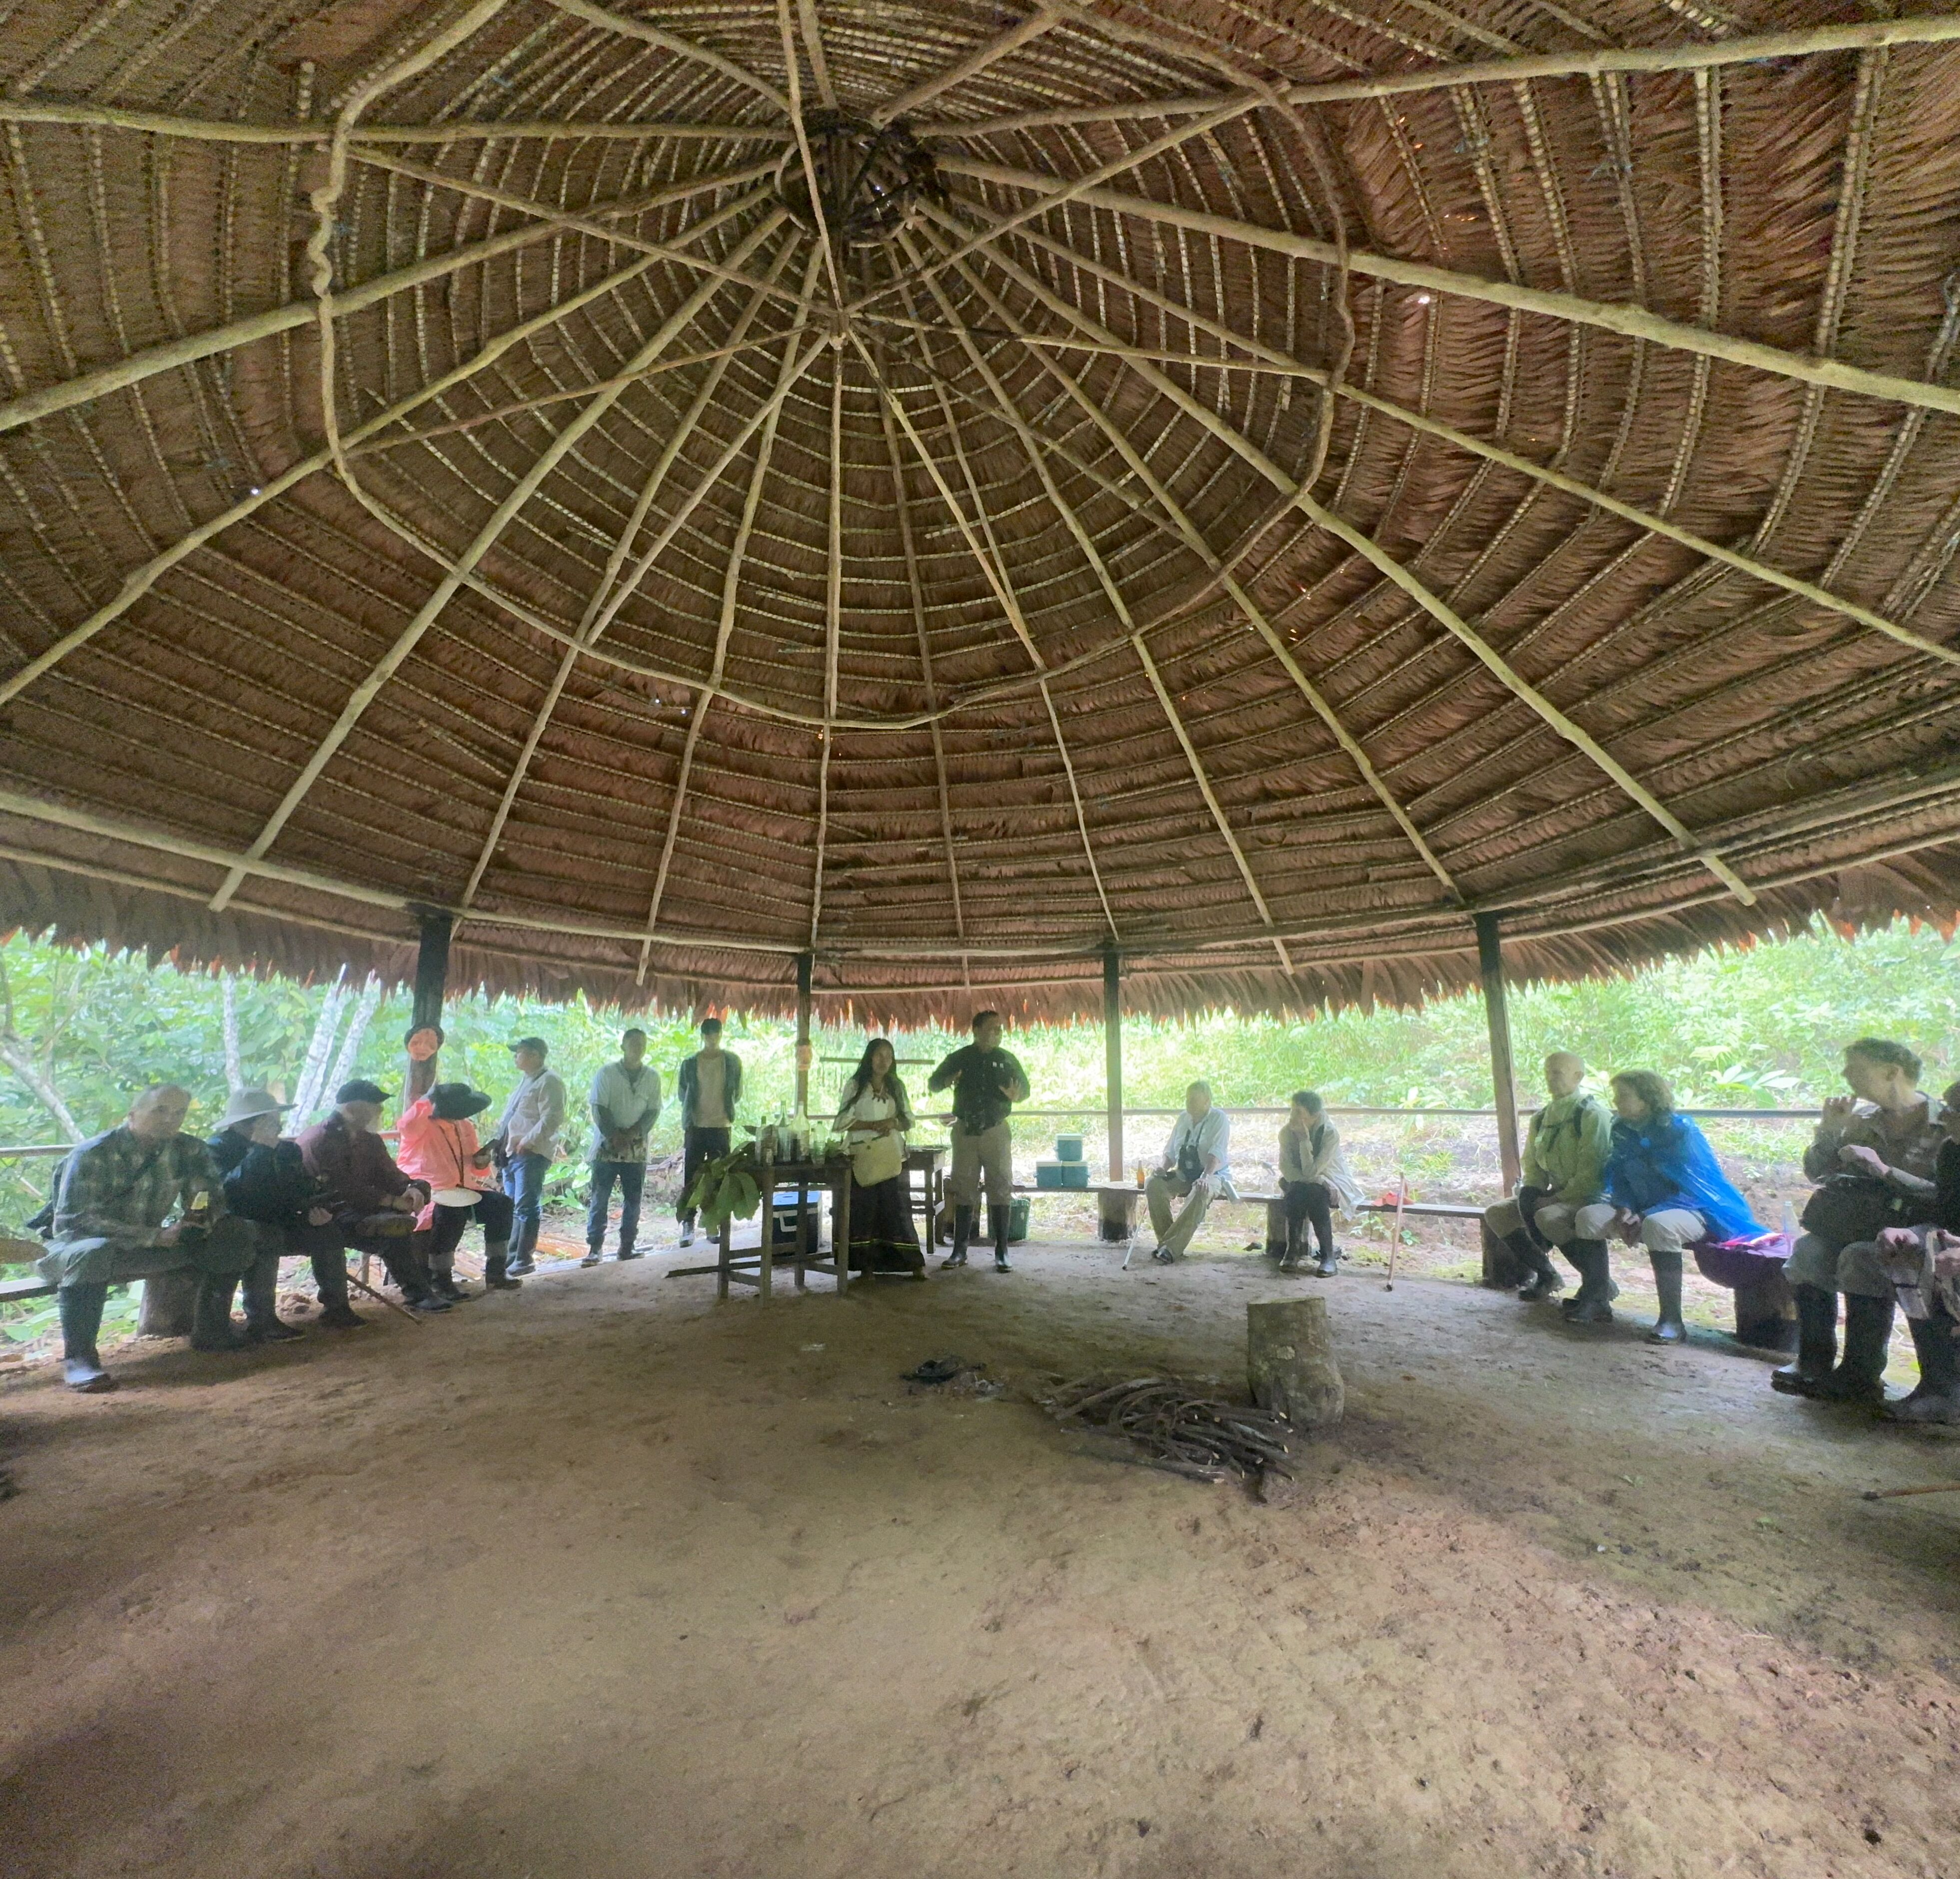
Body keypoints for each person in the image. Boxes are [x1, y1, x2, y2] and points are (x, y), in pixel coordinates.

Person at [39, 1084, 259, 1391]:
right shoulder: (93, 1154)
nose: (171, 1119)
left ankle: (212, 1328)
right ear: (132, 1115)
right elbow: (73, 1223)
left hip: (145, 1246)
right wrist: (154, 1237)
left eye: (179, 1113)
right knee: (92, 1251)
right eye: (160, 1111)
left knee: (234, 1232)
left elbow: (209, 1201)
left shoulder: (189, 1150)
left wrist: (194, 1225)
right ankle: (79, 1359)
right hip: (72, 1250)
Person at [1773, 1038, 1942, 1403]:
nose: (1846, 1074)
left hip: (1913, 1229)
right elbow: (1818, 1173)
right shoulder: (1861, 1119)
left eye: (1857, 1068)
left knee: (1860, 1257)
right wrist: (1829, 1130)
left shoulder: (1942, 1124)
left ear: (1892, 1072)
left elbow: (1944, 1196)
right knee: (1808, 1252)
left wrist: (1883, 1170)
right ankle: (1813, 1360)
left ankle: (1861, 1371)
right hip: (1855, 1223)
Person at [1572, 1071, 1765, 1341]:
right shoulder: (1622, 1130)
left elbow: (1694, 1189)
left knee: (1659, 1225)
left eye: (1623, 1096)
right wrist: (1625, 1208)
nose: (1616, 1101)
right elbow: (1619, 1177)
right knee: (1588, 1217)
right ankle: (1597, 1300)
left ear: (1647, 1100)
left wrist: (1645, 1215)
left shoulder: (1680, 1132)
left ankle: (1672, 1320)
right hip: (1640, 1209)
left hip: (1697, 1210)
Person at [1840, 1078, 1960, 1424]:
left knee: (1932, 1268)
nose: (1945, 1117)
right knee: (1876, 1256)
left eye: (1954, 1111)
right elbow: (1944, 1212)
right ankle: (1866, 1375)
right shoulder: (1953, 1152)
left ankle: (1948, 1392)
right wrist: (1911, 1234)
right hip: (1951, 1249)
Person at [297, 1080, 446, 1312]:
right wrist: (390, 1201)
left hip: (360, 1208)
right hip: (326, 1212)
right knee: (387, 1226)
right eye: (374, 1106)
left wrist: (411, 1188)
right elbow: (342, 1188)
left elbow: (390, 1174)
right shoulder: (320, 1139)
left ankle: (420, 1293)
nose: (380, 1111)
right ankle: (338, 1308)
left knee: (396, 1223)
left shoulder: (369, 1140)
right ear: (351, 1109)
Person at [1481, 1052, 1613, 1303]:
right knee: (1498, 1214)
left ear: (1578, 1077)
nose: (1550, 1078)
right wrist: (1531, 1195)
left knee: (1548, 1217)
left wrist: (1553, 1200)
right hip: (1558, 1194)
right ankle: (1547, 1275)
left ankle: (1598, 1283)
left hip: (1592, 1195)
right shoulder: (1542, 1118)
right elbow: (1532, 1164)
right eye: (1547, 1073)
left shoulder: (1593, 1115)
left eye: (1557, 1073)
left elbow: (1591, 1175)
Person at [204, 1086, 329, 1339]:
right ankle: (258, 1320)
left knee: (328, 1231)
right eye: (271, 1120)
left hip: (279, 1218)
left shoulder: (286, 1150)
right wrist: (260, 1151)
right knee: (263, 1235)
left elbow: (295, 1189)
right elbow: (231, 1193)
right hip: (234, 1224)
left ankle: (337, 1307)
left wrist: (311, 1210)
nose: (278, 1126)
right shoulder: (216, 1149)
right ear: (248, 1124)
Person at [928, 1010, 1029, 1272]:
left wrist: (1017, 1095)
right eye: (992, 1028)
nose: (998, 1033)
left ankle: (1002, 1251)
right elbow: (934, 1084)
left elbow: (1025, 1091)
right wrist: (947, 1080)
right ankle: (960, 1250)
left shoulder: (1007, 1059)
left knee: (1000, 1187)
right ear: (976, 1031)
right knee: (964, 1188)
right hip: (966, 1131)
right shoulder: (961, 1058)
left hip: (996, 1130)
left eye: (1000, 1029)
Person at [397, 1081, 520, 1295]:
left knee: (502, 1205)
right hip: (429, 1193)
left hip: (464, 1190)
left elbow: (474, 1167)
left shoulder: (465, 1127)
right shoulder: (421, 1126)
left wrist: (481, 1162)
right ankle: (441, 1279)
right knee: (450, 1213)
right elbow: (405, 1125)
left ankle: (496, 1272)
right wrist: (428, 1098)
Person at [831, 1038, 926, 1278]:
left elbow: (909, 1120)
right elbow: (841, 1122)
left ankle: (913, 1264)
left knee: (897, 1210)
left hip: (891, 1155)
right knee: (864, 1211)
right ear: (870, 1058)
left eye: (889, 1056)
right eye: (879, 1055)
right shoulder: (856, 1086)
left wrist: (893, 1122)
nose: (884, 1061)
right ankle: (866, 1267)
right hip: (863, 1155)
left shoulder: (896, 1087)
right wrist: (872, 1125)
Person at [586, 1027, 661, 1267]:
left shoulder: (652, 1077)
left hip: (636, 1149)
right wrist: (614, 1135)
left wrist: (632, 1134)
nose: (638, 1048)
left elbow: (653, 1111)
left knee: (634, 1200)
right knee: (600, 1198)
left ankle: (627, 1247)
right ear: (623, 1047)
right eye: (633, 1043)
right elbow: (599, 1108)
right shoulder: (606, 1073)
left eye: (642, 1044)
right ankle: (595, 1248)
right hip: (606, 1147)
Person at [1144, 1080, 1234, 1265]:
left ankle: (1169, 1248)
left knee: (1201, 1191)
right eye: (1187, 1099)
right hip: (1184, 1173)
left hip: (1213, 1174)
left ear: (1207, 1102)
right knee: (1153, 1184)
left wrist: (1205, 1177)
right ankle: (1168, 1244)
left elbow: (1216, 1153)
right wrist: (1163, 1168)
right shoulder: (1183, 1118)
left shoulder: (1219, 1119)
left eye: (1194, 1100)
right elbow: (1171, 1151)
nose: (1189, 1103)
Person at [496, 1037, 565, 1277]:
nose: (516, 1057)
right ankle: (511, 1257)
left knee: (526, 1206)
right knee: (514, 1206)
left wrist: (528, 1141)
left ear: (536, 1056)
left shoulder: (550, 1081)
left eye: (521, 1053)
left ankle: (524, 1259)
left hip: (530, 1152)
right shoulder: (527, 1081)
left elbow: (552, 1118)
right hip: (512, 1152)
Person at [1277, 1090, 1361, 1275]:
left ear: (1314, 1116)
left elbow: (1312, 1171)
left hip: (1332, 1180)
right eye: (1292, 1110)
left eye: (1299, 1112)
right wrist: (1319, 1180)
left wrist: (1304, 1140)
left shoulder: (1330, 1134)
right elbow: (1286, 1168)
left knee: (1314, 1193)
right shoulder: (1286, 1132)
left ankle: (1327, 1256)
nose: (1292, 1116)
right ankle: (1292, 1251)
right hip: (1307, 1181)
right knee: (1299, 1190)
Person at [676, 1018, 742, 1249]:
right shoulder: (690, 1063)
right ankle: (688, 1224)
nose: (712, 1039)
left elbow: (737, 1093)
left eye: (716, 1035)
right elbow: (682, 1094)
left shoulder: (732, 1062)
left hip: (721, 1125)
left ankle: (713, 1224)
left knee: (719, 1178)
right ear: (703, 1036)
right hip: (696, 1125)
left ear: (721, 1035)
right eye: (708, 1035)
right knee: (692, 1177)